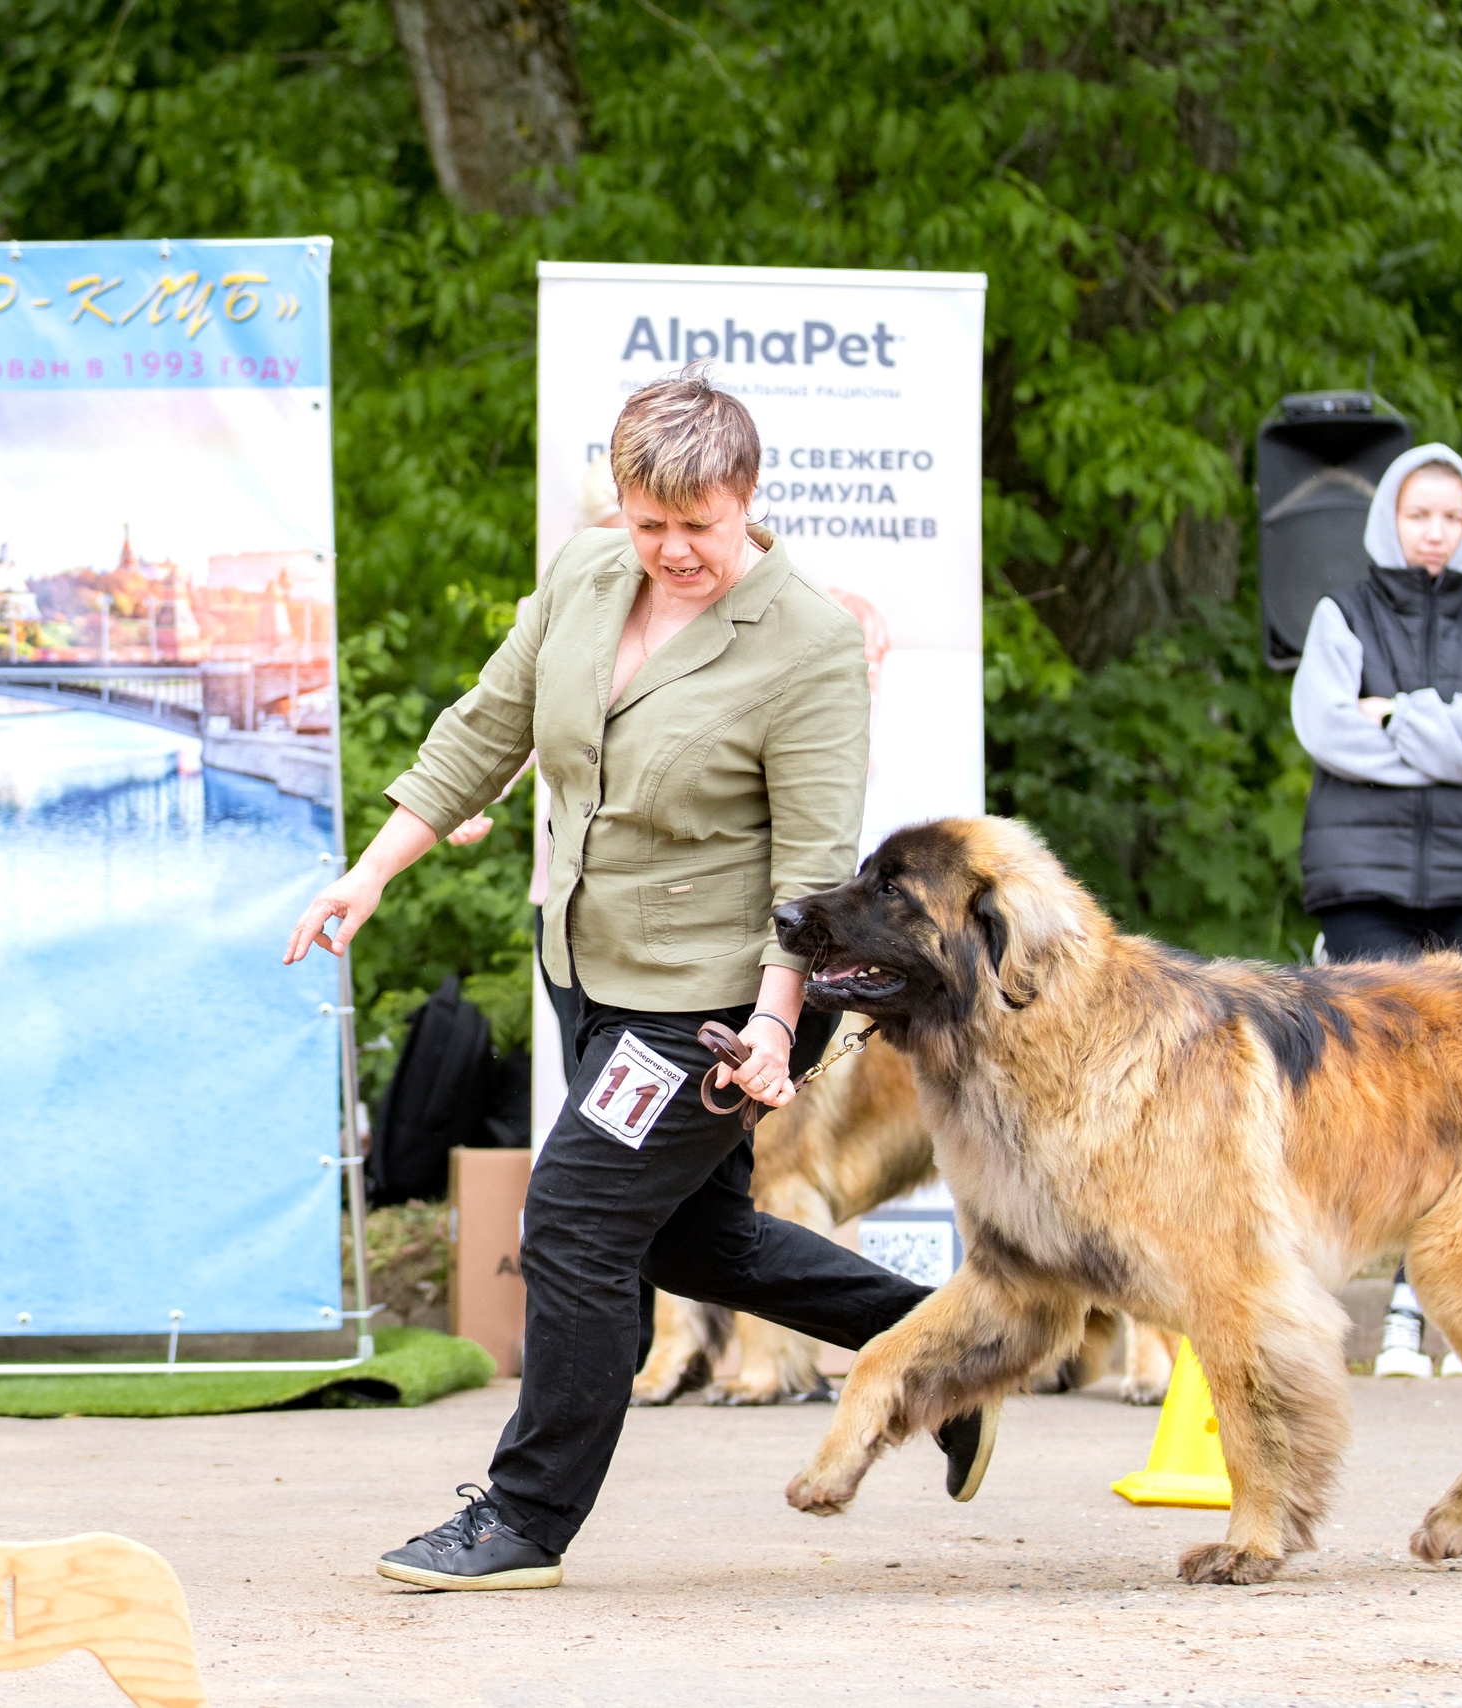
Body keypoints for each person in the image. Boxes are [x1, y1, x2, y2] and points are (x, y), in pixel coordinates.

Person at [284, 372, 994, 1593]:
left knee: (571, 1221)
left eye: (699, 527)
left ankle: (523, 1520)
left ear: (747, 501)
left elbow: (812, 870)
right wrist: (374, 871)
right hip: (589, 968)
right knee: (689, 1235)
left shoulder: (809, 640)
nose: (672, 550)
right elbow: (484, 728)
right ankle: (937, 1353)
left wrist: (778, 1029)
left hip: (717, 1004)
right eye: (648, 521)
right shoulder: (583, 576)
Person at [1289, 443, 1462, 962]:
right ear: (1389, 518)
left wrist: (1391, 715)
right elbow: (1327, 732)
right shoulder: (1341, 617)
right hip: (1363, 880)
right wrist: (1460, 734)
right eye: (1419, 515)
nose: (1436, 533)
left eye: (1453, 517)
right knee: (1374, 1041)